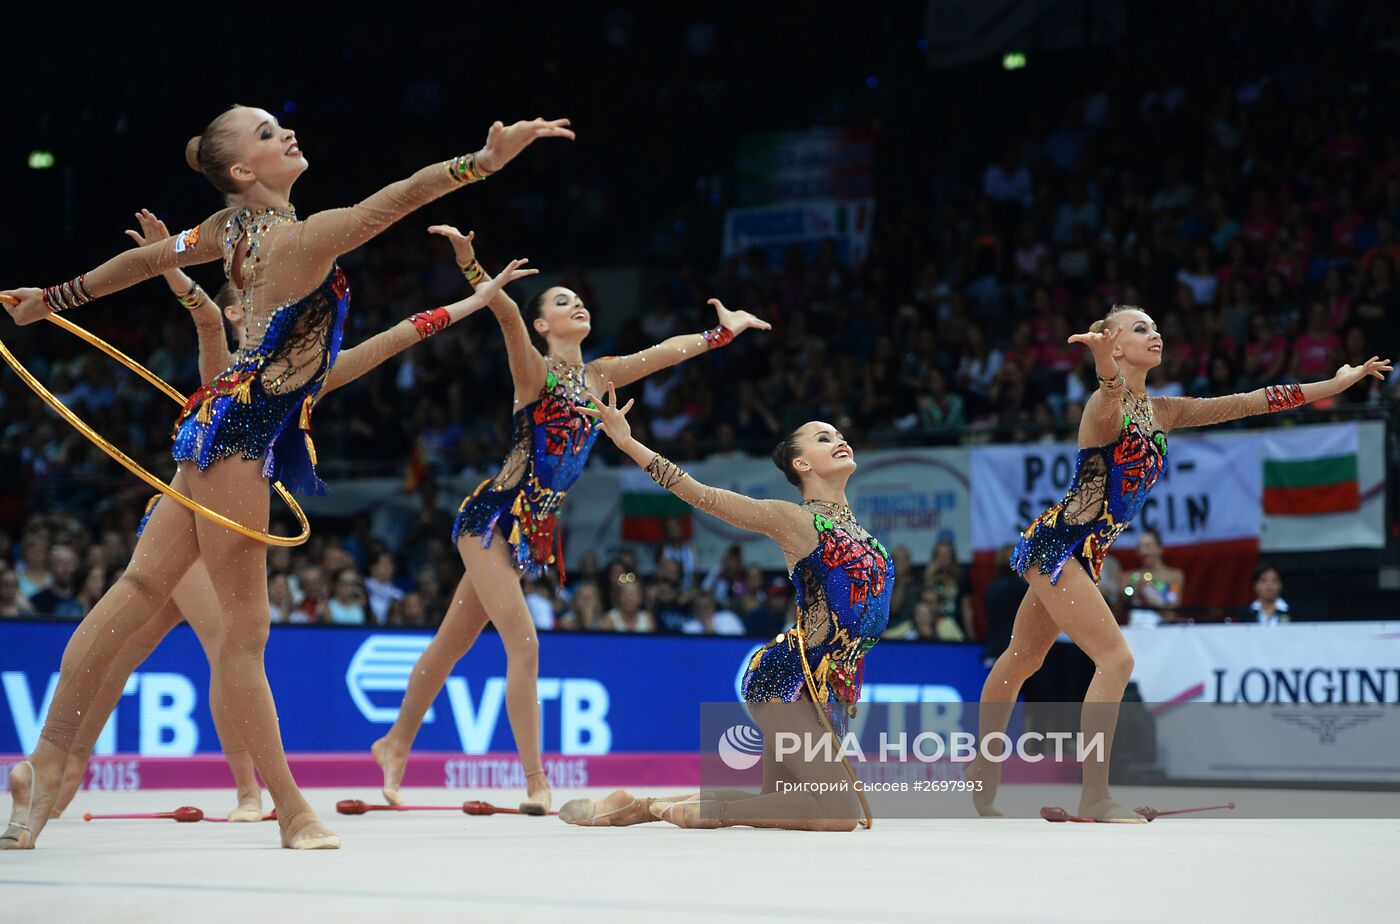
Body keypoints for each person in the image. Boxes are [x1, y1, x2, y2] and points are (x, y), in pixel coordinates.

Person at [0, 104, 569, 850]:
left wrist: (52, 298)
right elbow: (397, 199)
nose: (287, 133)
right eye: (267, 134)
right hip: (240, 435)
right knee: (244, 632)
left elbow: (146, 263)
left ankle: (43, 760)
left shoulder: (227, 232)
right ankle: (291, 809)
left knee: (138, 591)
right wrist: (481, 164)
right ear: (242, 171)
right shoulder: (300, 238)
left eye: (280, 125)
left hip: (217, 424)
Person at [371, 227, 770, 814]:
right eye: (560, 302)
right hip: (490, 519)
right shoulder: (532, 373)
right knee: (524, 644)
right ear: (542, 327)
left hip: (530, 532)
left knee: (452, 642)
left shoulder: (600, 377)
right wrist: (472, 265)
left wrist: (721, 332)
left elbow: (663, 354)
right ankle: (536, 781)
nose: (574, 303)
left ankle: (394, 742)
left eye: (577, 298)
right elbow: (505, 314)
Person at [970, 303, 1389, 822]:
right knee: (1115, 659)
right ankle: (1094, 795)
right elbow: (1107, 396)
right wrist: (1103, 368)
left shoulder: (1165, 411)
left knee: (1022, 658)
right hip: (1058, 545)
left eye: (1156, 325)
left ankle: (981, 769)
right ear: (1113, 342)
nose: (1156, 333)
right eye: (1140, 328)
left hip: (1087, 554)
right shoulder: (1104, 408)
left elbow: (1251, 402)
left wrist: (1335, 383)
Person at [560, 400, 894, 831]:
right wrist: (627, 443)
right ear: (801, 463)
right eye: (823, 437)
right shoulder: (794, 519)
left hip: (829, 690)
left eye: (839, 434)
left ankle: (639, 805)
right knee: (840, 814)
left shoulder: (863, 534)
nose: (839, 439)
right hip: (788, 680)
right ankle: (701, 815)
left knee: (783, 802)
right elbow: (705, 496)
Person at [1124, 527, 1184, 625]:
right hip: (1136, 628)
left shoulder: (1173, 576)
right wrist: (1132, 589)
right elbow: (1122, 603)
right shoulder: (1132, 576)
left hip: (1163, 628)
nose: (1143, 551)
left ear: (1159, 549)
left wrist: (1153, 598)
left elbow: (1173, 608)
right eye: (1140, 547)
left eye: (1147, 546)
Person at [27, 545, 82, 619]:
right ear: (49, 567)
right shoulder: (37, 601)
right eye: (61, 563)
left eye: (70, 563)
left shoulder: (82, 596)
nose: (67, 569)